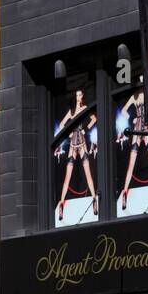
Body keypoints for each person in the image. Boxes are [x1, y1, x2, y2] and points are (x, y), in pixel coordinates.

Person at [54, 89, 98, 221]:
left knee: (88, 173)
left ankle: (94, 199)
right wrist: (69, 133)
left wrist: (86, 129)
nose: (78, 97)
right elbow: (62, 124)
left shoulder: (84, 108)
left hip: (82, 143)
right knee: (67, 177)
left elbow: (94, 119)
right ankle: (61, 203)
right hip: (73, 145)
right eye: (77, 95)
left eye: (80, 95)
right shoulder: (72, 111)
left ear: (82, 96)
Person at [118, 87, 148, 211]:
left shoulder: (141, 95)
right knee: (131, 165)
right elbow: (123, 111)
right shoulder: (136, 96)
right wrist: (133, 118)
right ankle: (125, 192)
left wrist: (135, 118)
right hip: (139, 130)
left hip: (144, 129)